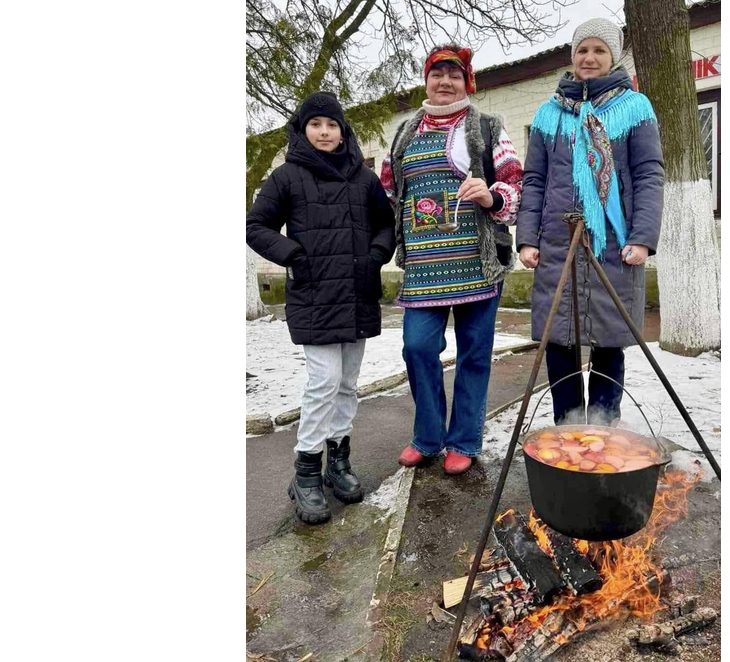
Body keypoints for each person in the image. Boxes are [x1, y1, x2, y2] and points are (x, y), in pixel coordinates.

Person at [246, 92, 396, 525]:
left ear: (342, 129)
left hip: (357, 291)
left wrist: (375, 256)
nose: (325, 132)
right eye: (316, 125)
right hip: (314, 295)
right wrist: (293, 254)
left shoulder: (363, 178)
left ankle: (339, 463)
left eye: (332, 124)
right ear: (303, 129)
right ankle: (306, 473)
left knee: (347, 384)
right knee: (324, 382)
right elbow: (256, 226)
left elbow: (386, 223)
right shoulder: (287, 176)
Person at [380, 45, 524, 475]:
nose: (444, 82)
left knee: (474, 355)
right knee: (417, 348)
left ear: (467, 82)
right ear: (426, 81)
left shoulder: (487, 128)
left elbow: (517, 187)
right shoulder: (405, 133)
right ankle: (427, 437)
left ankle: (463, 440)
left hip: (478, 266)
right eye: (436, 74)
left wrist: (493, 194)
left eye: (453, 75)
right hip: (424, 270)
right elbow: (388, 196)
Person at [516, 18, 666, 426]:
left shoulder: (635, 108)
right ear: (573, 56)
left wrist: (643, 237)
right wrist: (527, 237)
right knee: (558, 341)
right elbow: (535, 180)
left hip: (614, 244)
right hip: (557, 243)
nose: (590, 58)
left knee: (609, 342)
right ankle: (567, 430)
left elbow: (649, 173)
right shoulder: (550, 114)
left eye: (599, 50)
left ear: (612, 56)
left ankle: (603, 428)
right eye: (583, 50)